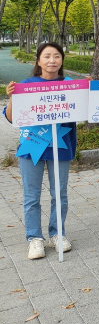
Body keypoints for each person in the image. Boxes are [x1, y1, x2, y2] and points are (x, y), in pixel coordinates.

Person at [3, 43, 77, 259]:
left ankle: (58, 234)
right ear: (38, 61)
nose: (52, 60)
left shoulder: (71, 84)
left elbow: (85, 107)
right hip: (32, 145)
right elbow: (10, 117)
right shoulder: (26, 85)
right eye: (47, 56)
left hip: (61, 144)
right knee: (31, 195)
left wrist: (88, 89)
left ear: (62, 60)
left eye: (56, 56)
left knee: (60, 194)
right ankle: (34, 238)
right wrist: (12, 97)